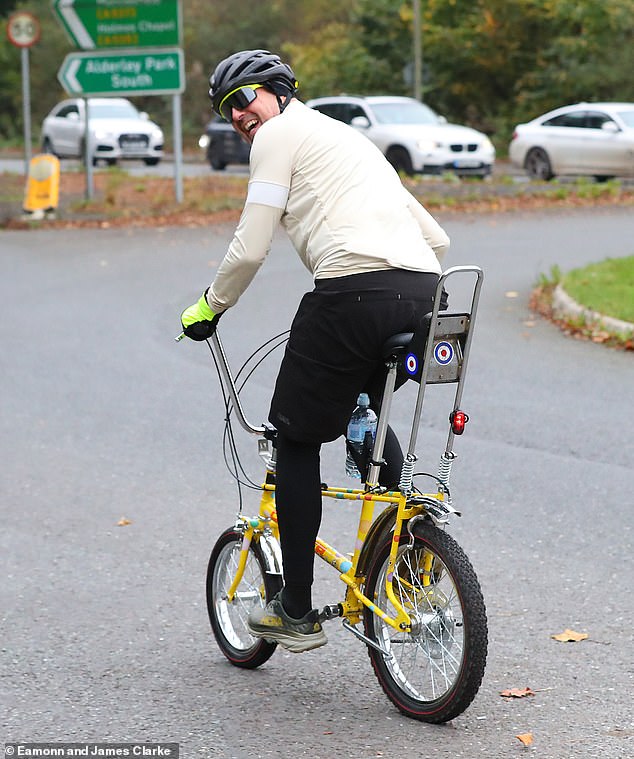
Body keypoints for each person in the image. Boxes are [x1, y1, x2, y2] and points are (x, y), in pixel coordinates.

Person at [181, 49, 450, 653]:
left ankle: (294, 608)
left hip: (352, 294)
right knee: (360, 407)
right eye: (227, 111)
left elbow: (251, 248)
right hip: (426, 293)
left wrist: (210, 304)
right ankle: (399, 548)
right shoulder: (348, 139)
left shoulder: (278, 134)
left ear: (277, 91)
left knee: (295, 440)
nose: (239, 117)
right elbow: (436, 237)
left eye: (244, 99)